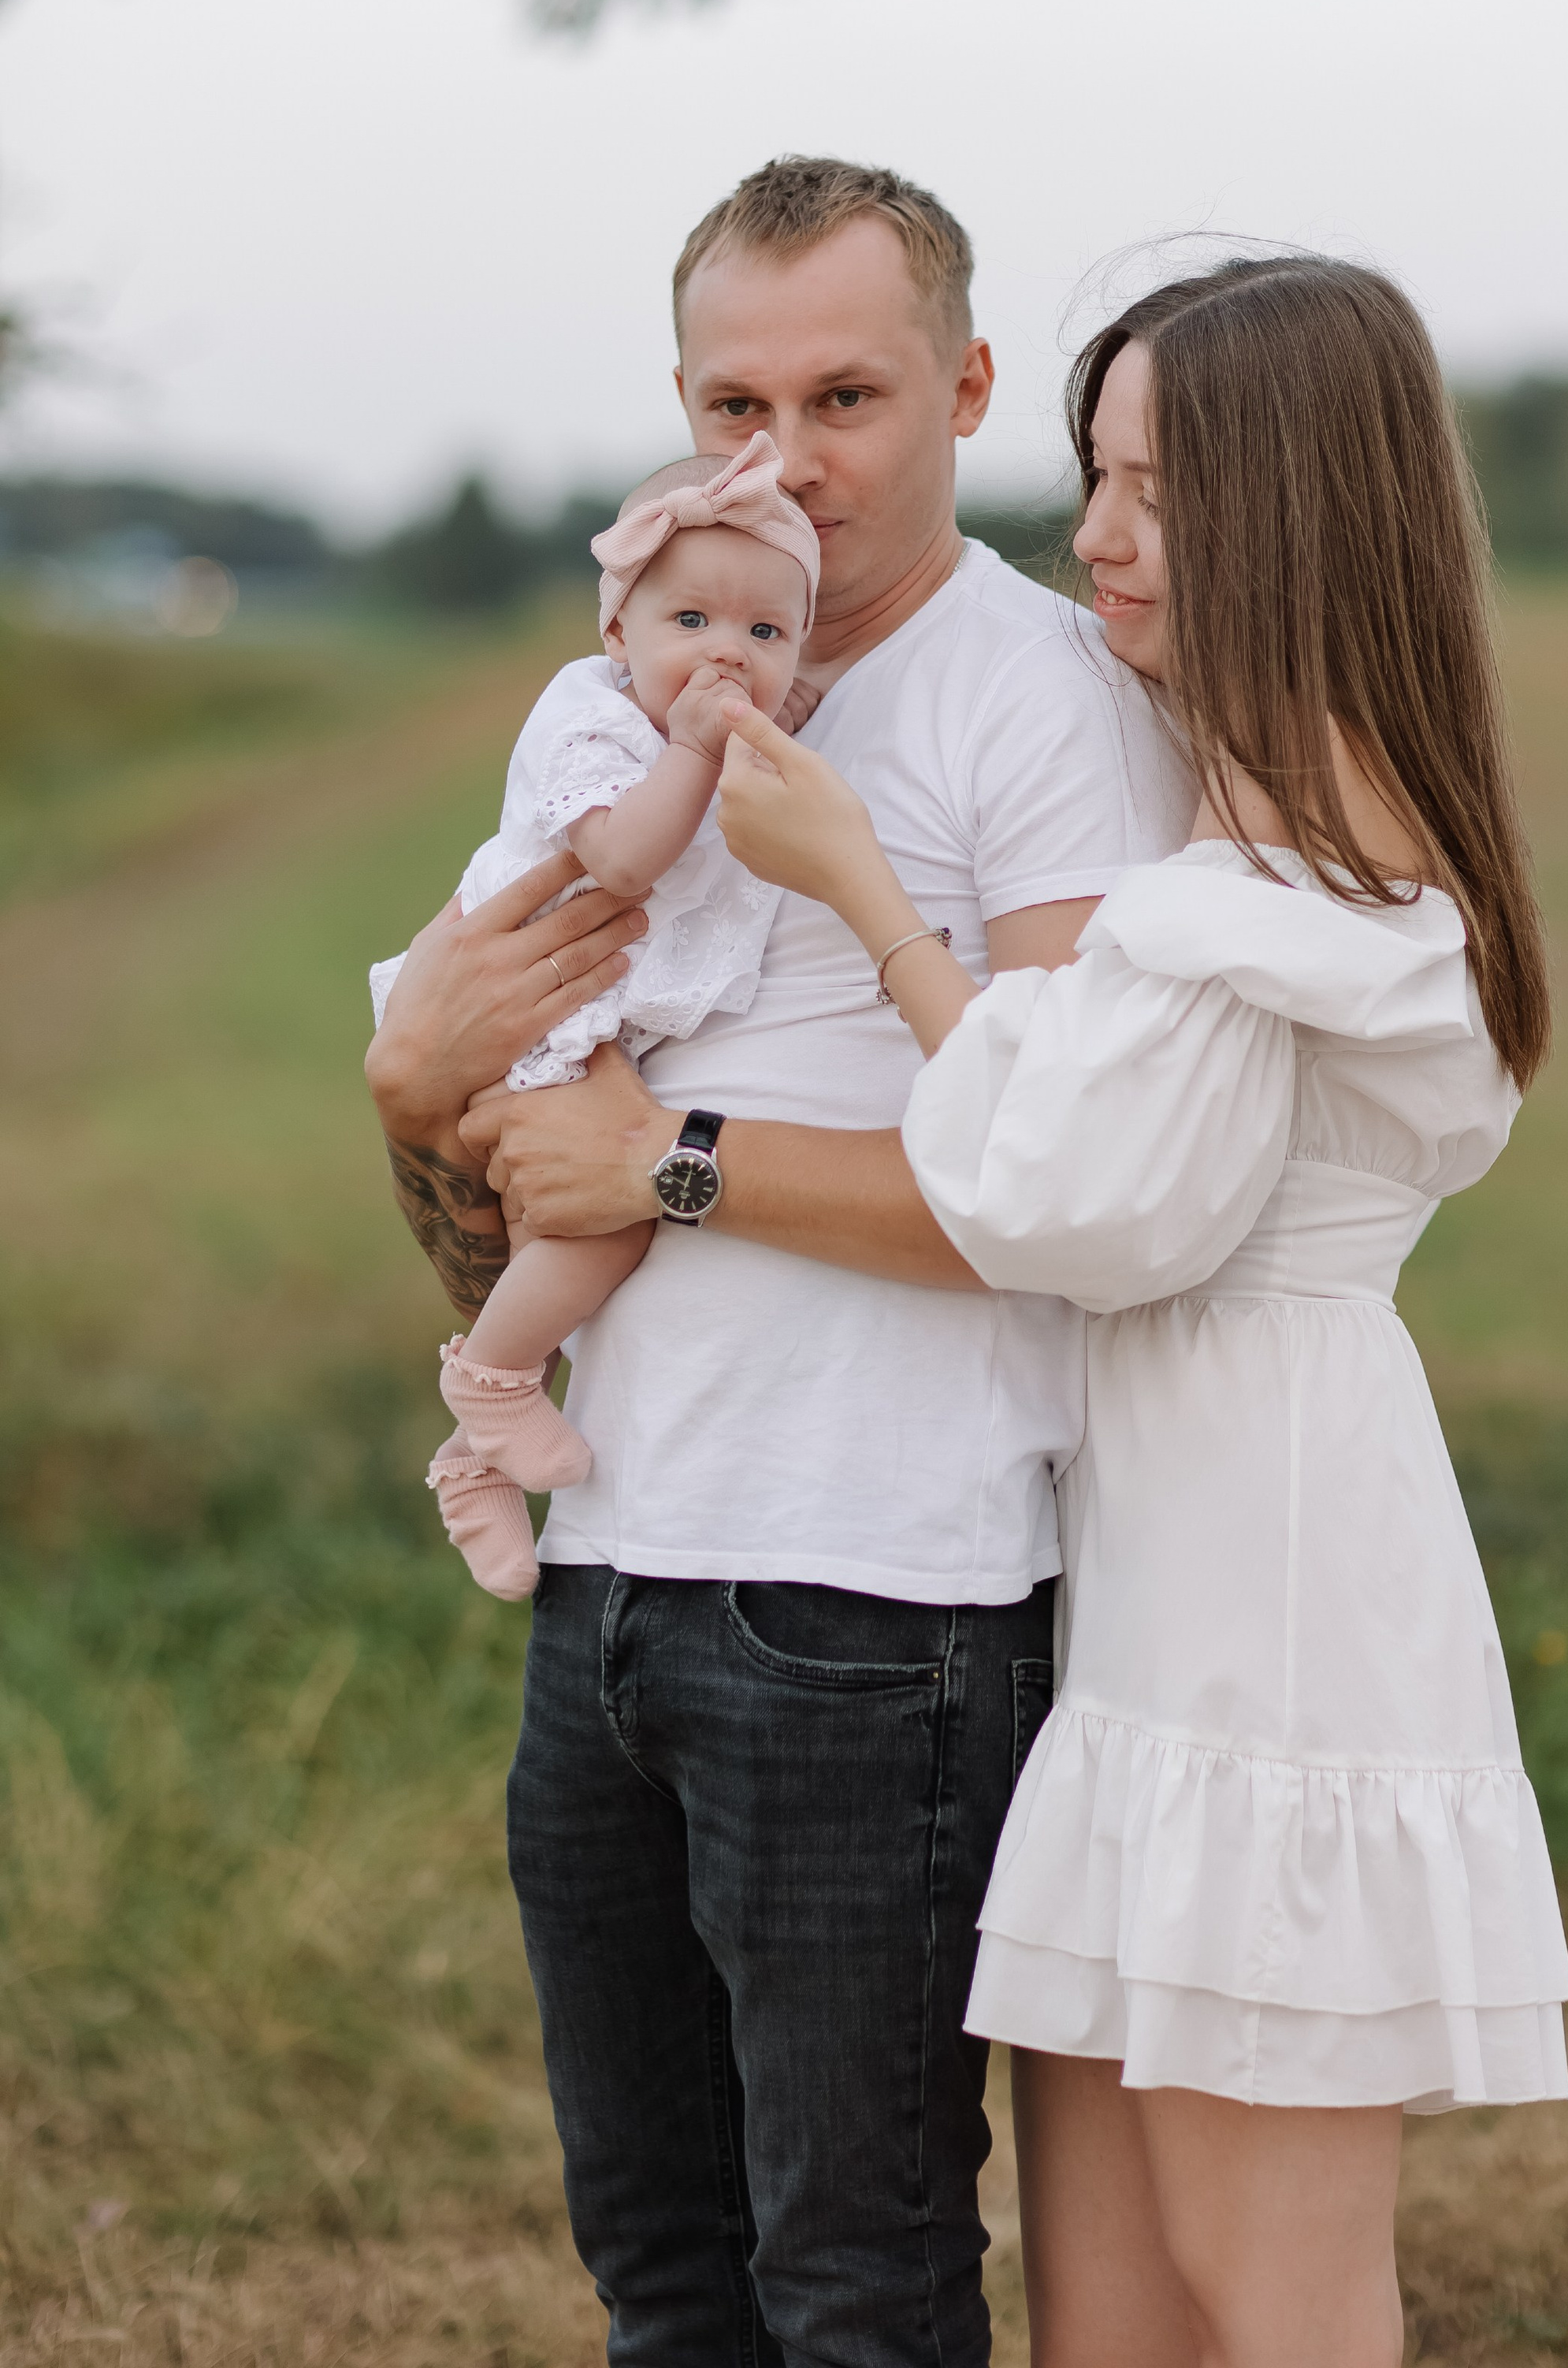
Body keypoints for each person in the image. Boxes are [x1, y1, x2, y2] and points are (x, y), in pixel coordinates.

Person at [363, 158, 1192, 2368]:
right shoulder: (629, 692)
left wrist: (679, 1162)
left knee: (859, 2282)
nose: (787, 458)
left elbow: (1078, 1196)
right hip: (609, 1570)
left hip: (875, 1608)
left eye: (849, 393)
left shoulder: (1046, 705)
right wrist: (413, 1088)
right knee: (659, 2267)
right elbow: (493, 1147)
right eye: (738, 399)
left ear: (970, 389)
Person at [708, 255, 1568, 2368]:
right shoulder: (1244, 812)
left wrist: (870, 901)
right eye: (1094, 473)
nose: (1097, 534)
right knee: (1114, 2313)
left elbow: (1060, 1193)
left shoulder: (1303, 878)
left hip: (1263, 1617)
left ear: (1302, 513)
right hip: (1161, 1590)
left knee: (1270, 2300)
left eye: (1159, 490)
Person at [366, 433, 822, 1600]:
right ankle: (493, 1387)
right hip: (532, 1006)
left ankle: (475, 1469)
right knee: (609, 1224)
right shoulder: (594, 726)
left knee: (600, 1239)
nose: (730, 654)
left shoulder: (694, 716)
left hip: (589, 1007)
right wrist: (698, 744)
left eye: (767, 634)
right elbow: (620, 858)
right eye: (693, 624)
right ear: (616, 631)